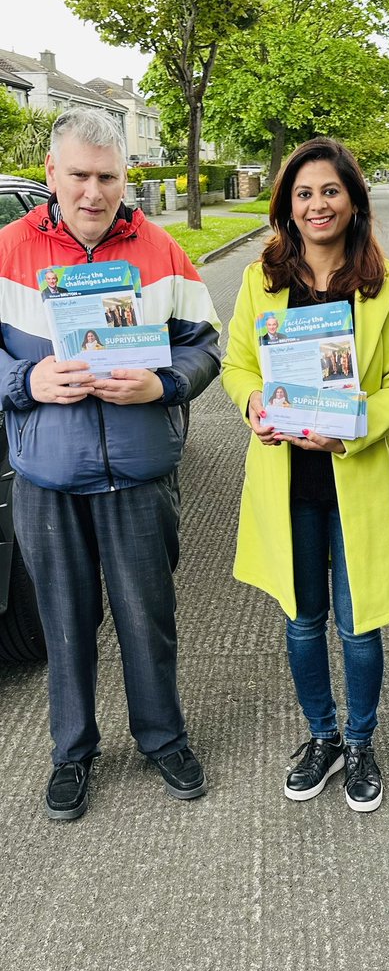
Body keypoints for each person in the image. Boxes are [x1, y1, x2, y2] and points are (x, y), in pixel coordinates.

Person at [0, 108, 222, 821]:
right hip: (48, 477)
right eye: (78, 176)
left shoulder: (160, 251)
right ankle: (73, 751)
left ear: (126, 178)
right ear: (50, 175)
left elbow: (206, 343)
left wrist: (165, 383)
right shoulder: (6, 251)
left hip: (139, 471)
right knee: (64, 622)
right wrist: (23, 383)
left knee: (147, 616)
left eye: (107, 177)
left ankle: (163, 738)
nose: (93, 192)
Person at [222, 136, 389, 813]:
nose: (316, 205)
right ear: (287, 205)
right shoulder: (262, 280)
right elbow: (238, 365)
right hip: (287, 483)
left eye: (329, 191)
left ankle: (361, 743)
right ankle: (322, 738)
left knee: (357, 623)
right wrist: (253, 402)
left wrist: (352, 432)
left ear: (352, 200)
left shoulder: (384, 285)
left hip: (352, 474)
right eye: (303, 193)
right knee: (304, 622)